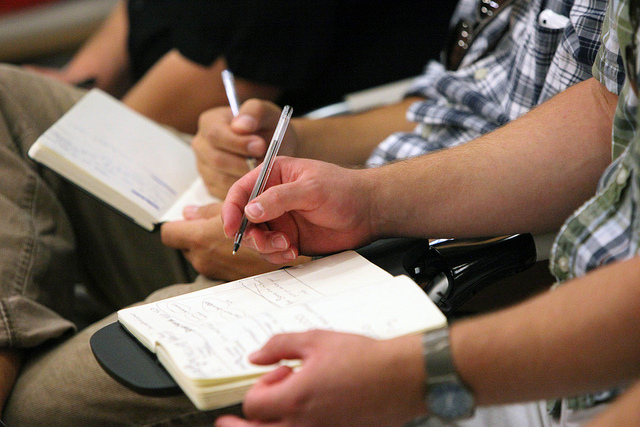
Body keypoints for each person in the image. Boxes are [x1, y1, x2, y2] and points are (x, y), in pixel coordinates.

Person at [0, 0, 611, 424]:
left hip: (408, 263)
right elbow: (464, 102)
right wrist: (306, 143)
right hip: (362, 209)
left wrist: (368, 210)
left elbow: (600, 132)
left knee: (38, 408)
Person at [214, 0, 640, 419]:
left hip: (553, 343)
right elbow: (608, 110)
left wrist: (411, 378)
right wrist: (368, 201)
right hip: (556, 353)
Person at [26, 0, 452, 134]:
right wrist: (78, 82)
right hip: (135, 109)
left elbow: (123, 139)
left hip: (194, 158)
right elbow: (141, 8)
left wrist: (56, 128)